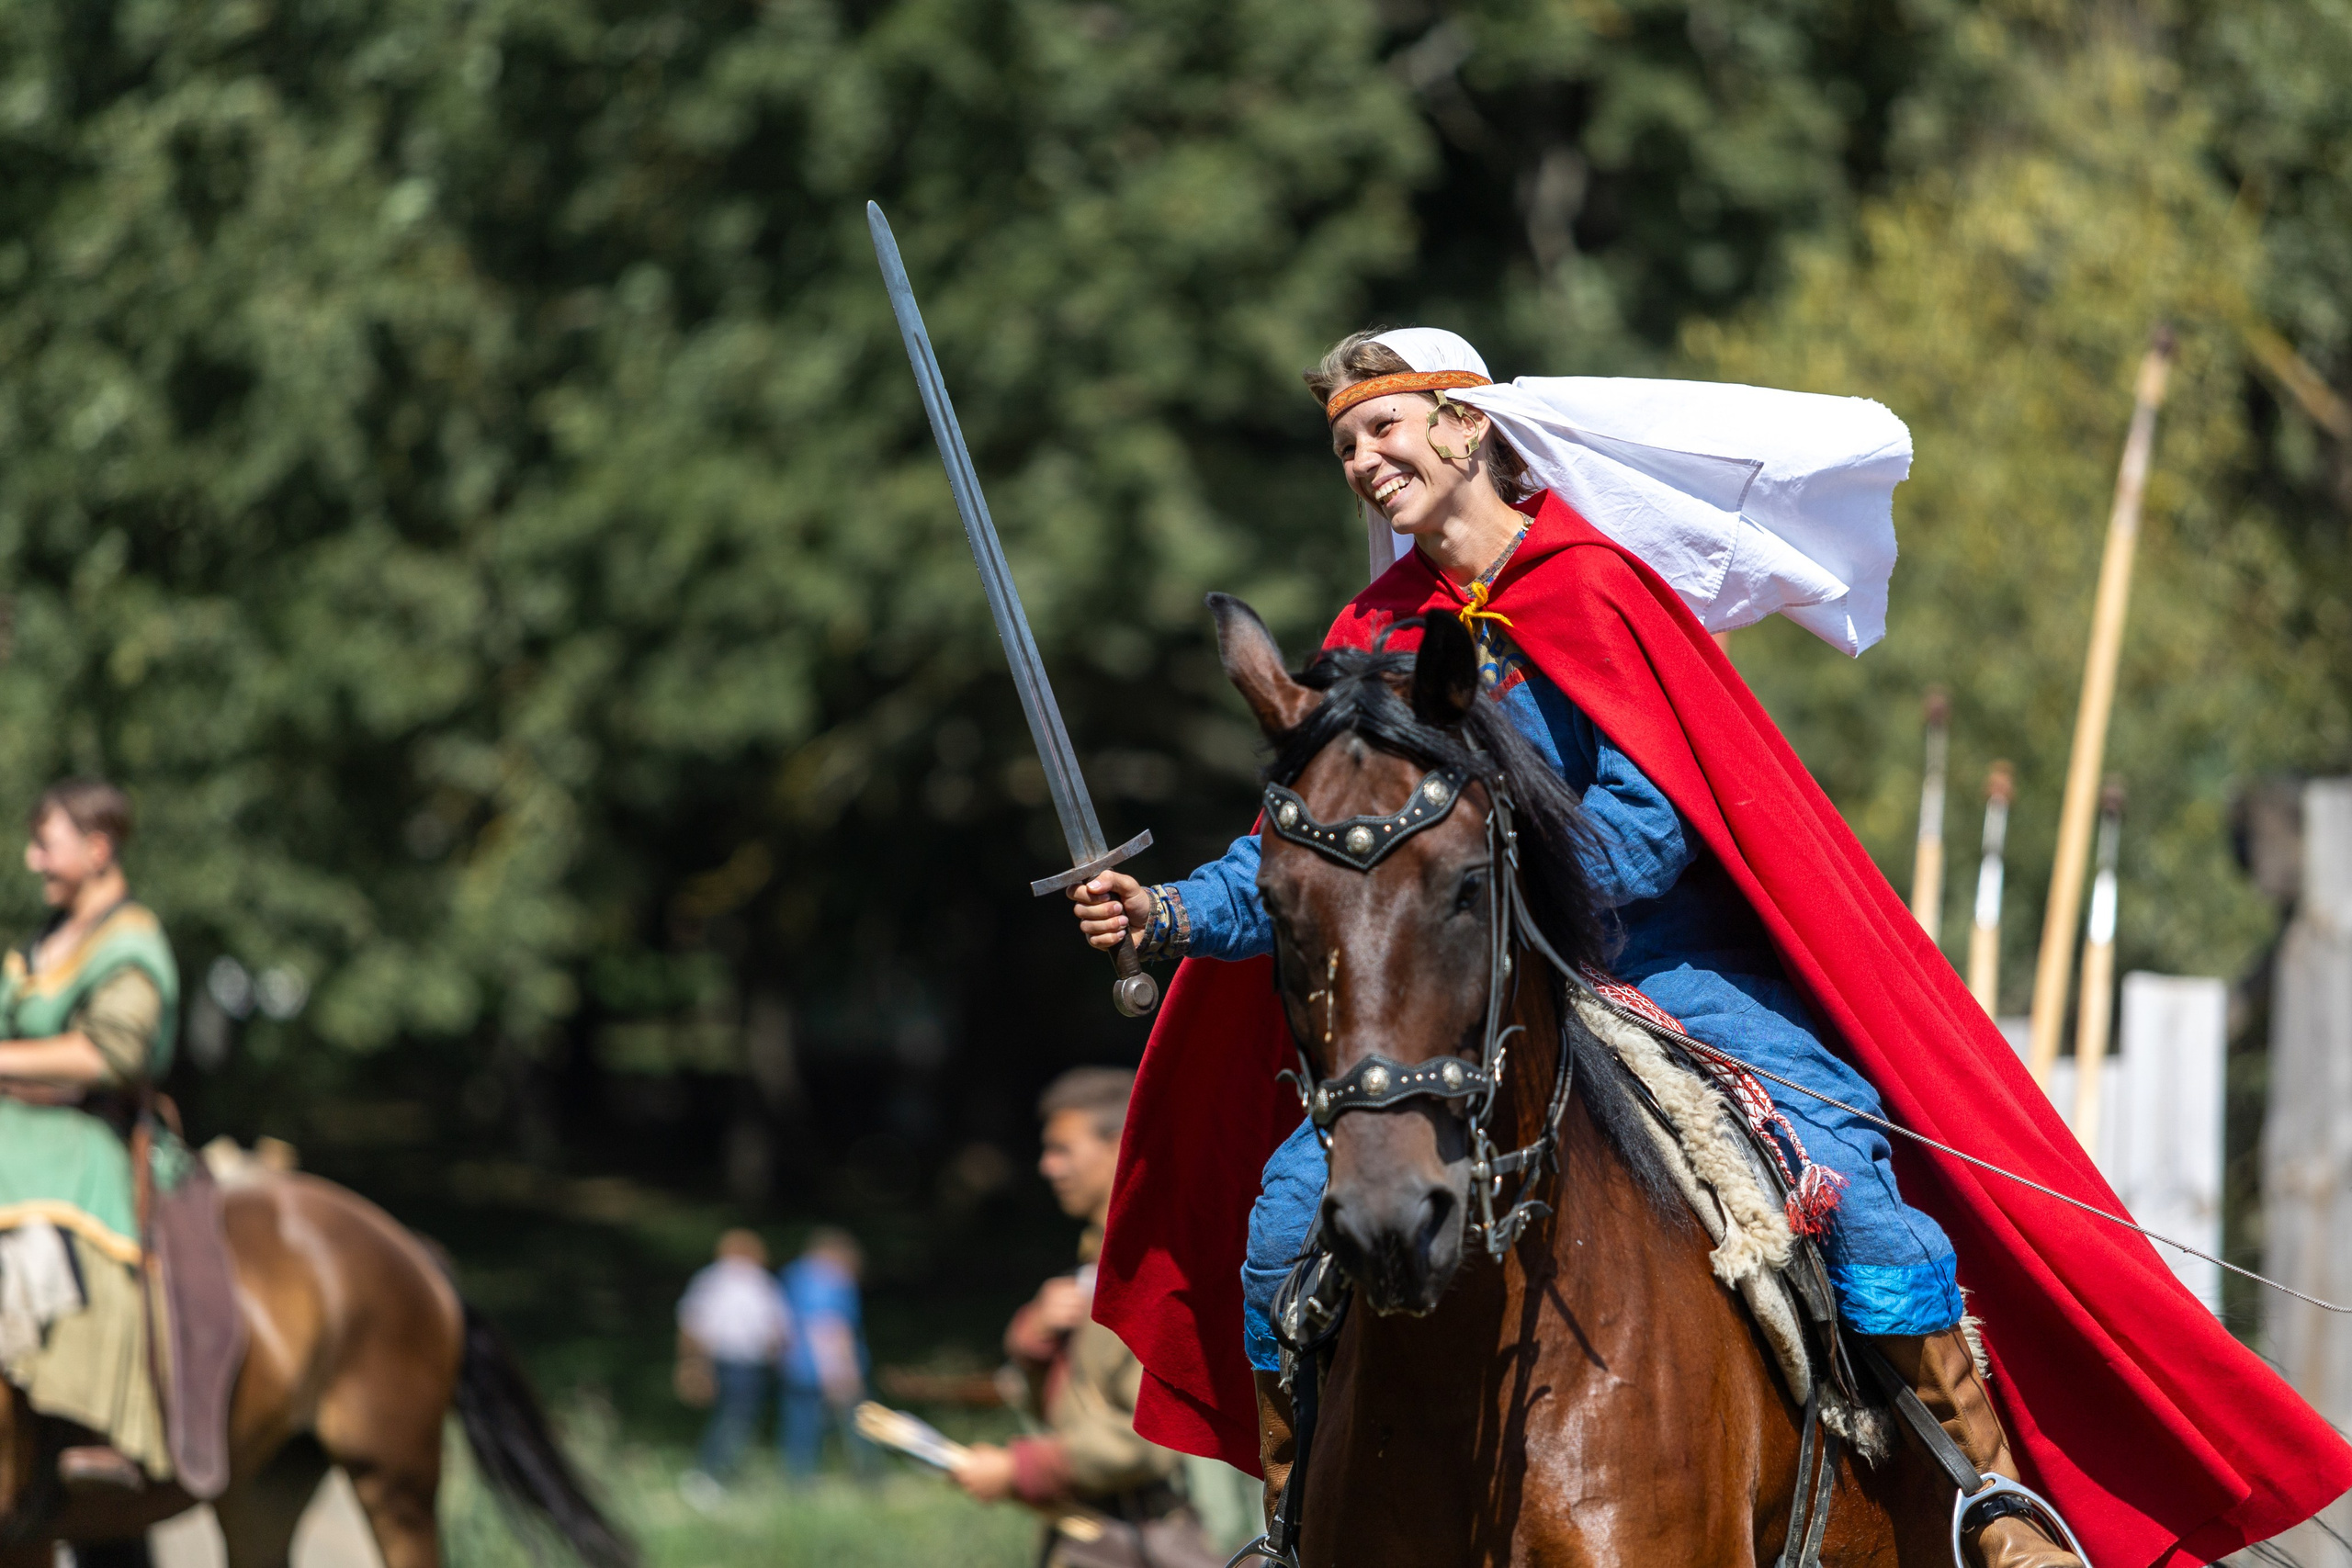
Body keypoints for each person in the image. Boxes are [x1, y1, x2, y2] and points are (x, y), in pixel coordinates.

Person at [1075, 329, 2352, 1567]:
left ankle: (1989, 1493)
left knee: (1842, 1185)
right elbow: (1316, 852)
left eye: (1384, 427)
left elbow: (1657, 812)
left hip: (1664, 968)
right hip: (1476, 997)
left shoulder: (1592, 585)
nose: (1364, 461)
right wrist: (1168, 912)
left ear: (1466, 425)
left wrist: (1516, 887)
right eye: (1346, 444)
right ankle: (1294, 1520)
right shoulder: (1374, 636)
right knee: (1287, 1213)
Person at [952, 1068, 1218, 1568]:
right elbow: (1071, 1413)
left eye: (1062, 1150)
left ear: (1119, 1145)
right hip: (1096, 1537)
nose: (1047, 1167)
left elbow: (1151, 1436)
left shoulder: (1154, 1267)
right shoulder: (1100, 1259)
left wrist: (1021, 1469)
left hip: (1138, 1539)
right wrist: (1033, 1345)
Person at [0, 779, 182, 1491]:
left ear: (99, 848)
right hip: (19, 1120)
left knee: (29, 1231)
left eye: (47, 844)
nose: (33, 859)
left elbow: (112, 1054)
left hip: (85, 1134)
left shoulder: (130, 942)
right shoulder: (45, 939)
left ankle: (77, 1423)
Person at [675, 1228, 792, 1489]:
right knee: (734, 1418)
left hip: (743, 1362)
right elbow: (777, 1328)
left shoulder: (719, 1280)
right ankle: (710, 1473)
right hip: (727, 1360)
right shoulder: (747, 1282)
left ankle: (721, 1473)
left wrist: (689, 1361)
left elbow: (690, 1323)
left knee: (735, 1418)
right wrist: (692, 1364)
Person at [776, 1226, 871, 1481]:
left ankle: (798, 1481)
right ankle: (869, 1479)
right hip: (827, 1369)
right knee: (861, 1424)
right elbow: (828, 1328)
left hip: (794, 1366)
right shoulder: (829, 1279)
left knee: (800, 1426)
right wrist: (841, 1373)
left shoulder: (793, 1275)